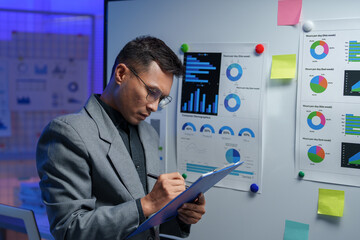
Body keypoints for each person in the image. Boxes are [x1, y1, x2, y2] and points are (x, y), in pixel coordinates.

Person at [36, 36, 206, 240]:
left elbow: (147, 223)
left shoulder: (149, 134)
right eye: (152, 92)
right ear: (121, 74)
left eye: (161, 98)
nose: (154, 106)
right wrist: (148, 203)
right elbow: (69, 229)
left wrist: (180, 215)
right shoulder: (68, 133)